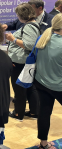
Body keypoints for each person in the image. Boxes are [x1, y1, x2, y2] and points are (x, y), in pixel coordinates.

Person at [5, 3, 41, 121]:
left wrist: (13, 39)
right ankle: (34, 112)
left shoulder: (29, 27)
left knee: (19, 89)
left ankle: (18, 113)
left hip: (20, 63)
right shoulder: (32, 24)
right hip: (25, 62)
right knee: (30, 87)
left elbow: (29, 45)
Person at [34, 13, 62, 149]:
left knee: (44, 113)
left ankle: (43, 144)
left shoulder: (43, 38)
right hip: (58, 86)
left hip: (41, 83)